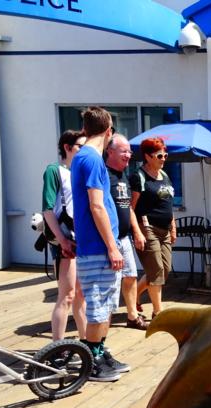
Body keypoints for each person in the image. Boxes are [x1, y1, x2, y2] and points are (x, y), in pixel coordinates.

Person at [71, 107, 129, 382]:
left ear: (85, 129)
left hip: (98, 246)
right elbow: (97, 206)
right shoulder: (92, 159)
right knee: (98, 308)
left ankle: (99, 352)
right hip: (98, 248)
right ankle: (91, 363)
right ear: (109, 131)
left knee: (105, 306)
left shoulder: (84, 157)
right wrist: (112, 247)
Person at [42, 130, 87, 341]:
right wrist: (62, 240)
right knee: (66, 295)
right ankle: (57, 347)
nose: (84, 151)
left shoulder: (79, 172)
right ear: (67, 148)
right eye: (80, 147)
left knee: (80, 295)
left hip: (81, 239)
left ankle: (88, 343)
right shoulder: (54, 171)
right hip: (65, 240)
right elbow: (47, 209)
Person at [104, 133, 148, 330]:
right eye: (124, 151)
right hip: (109, 240)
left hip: (124, 237)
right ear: (110, 151)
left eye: (130, 151)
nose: (129, 155)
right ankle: (103, 324)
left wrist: (137, 231)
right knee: (111, 283)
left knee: (130, 276)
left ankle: (132, 316)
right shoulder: (103, 174)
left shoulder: (124, 176)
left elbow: (128, 206)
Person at [131, 137, 176, 318]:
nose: (163, 159)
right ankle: (158, 312)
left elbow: (168, 204)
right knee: (156, 271)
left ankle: (134, 294)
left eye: (165, 155)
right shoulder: (138, 176)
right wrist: (136, 231)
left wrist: (173, 227)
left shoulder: (164, 175)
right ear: (148, 156)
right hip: (147, 227)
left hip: (165, 228)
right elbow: (131, 207)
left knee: (165, 269)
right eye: (159, 156)